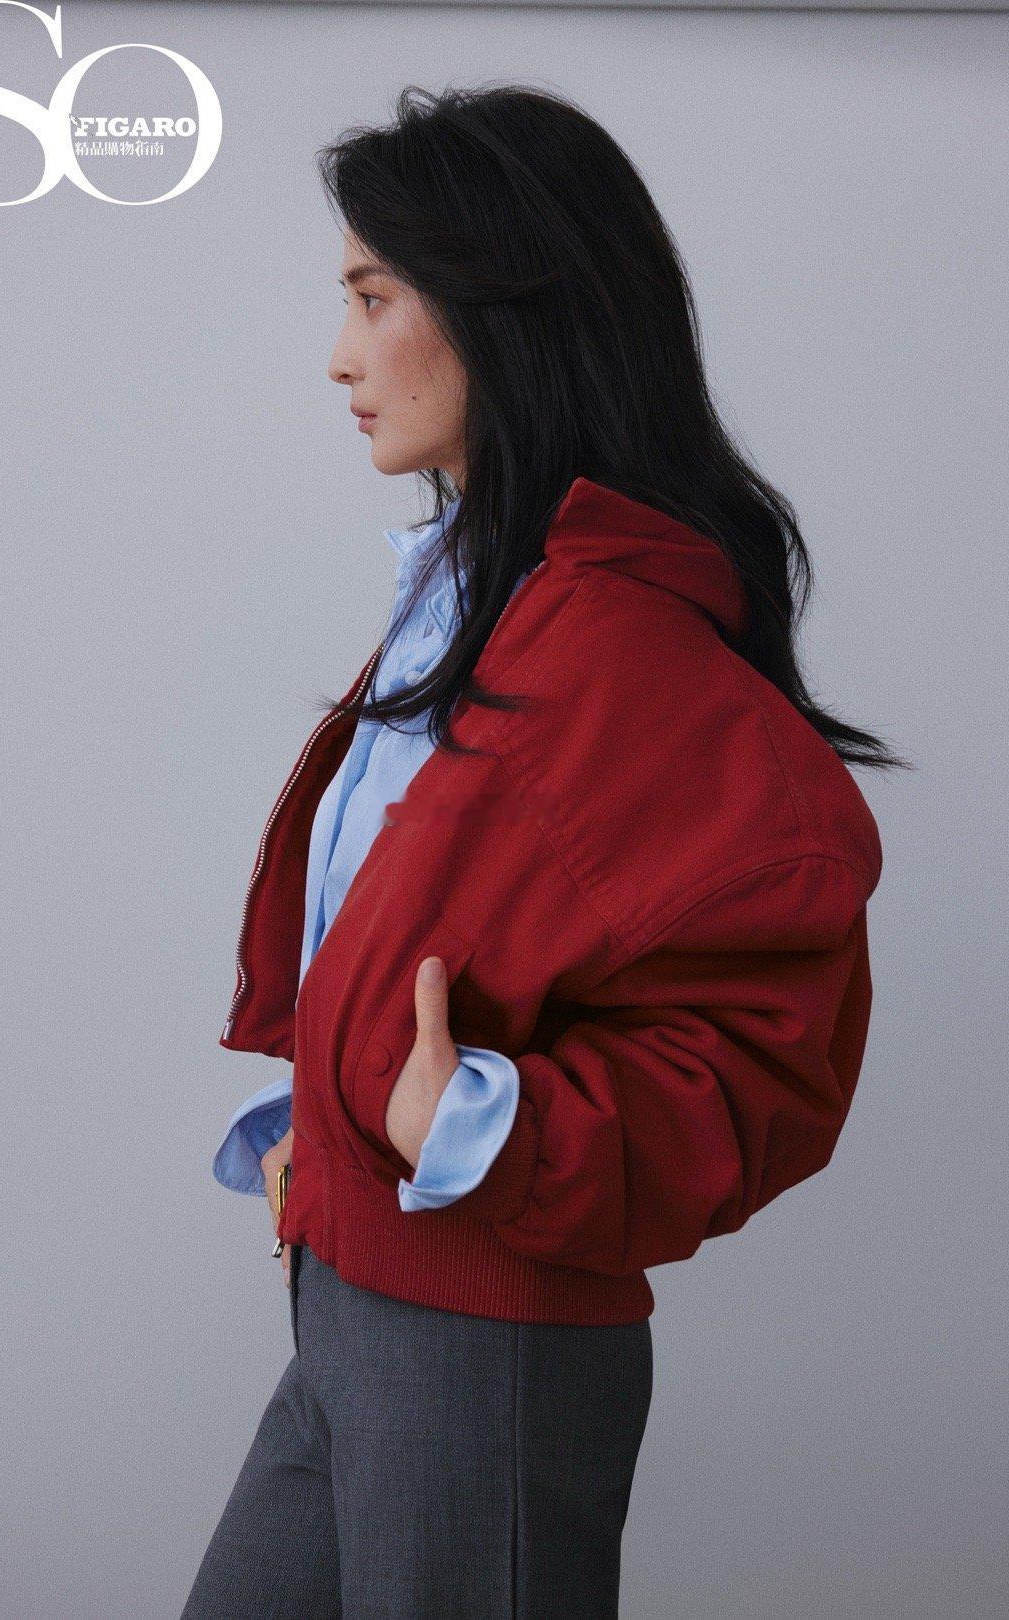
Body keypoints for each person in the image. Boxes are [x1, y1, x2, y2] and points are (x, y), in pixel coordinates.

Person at [182, 83, 907, 1620]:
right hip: (349, 1290)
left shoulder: (619, 649)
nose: (339, 356)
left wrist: (484, 1127)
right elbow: (439, 927)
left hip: (483, 1344)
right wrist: (327, 1112)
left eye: (373, 297)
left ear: (503, 312)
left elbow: (767, 1040)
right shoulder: (478, 602)